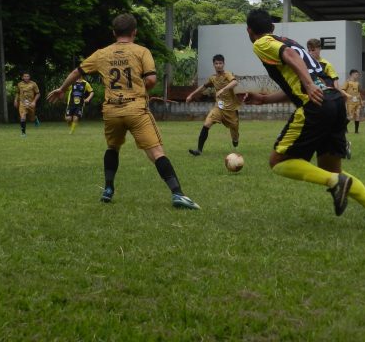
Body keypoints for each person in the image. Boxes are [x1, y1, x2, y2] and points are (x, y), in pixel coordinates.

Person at [244, 9, 365, 231]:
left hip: (316, 105)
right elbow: (296, 78)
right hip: (334, 102)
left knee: (278, 161)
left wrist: (307, 84)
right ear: (273, 27)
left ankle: (337, 184)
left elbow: (291, 58)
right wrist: (264, 98)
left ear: (249, 30)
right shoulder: (287, 40)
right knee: (331, 170)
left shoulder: (261, 43)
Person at [46, 13, 200, 209]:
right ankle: (177, 193)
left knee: (113, 148)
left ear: (114, 32)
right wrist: (140, 89)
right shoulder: (142, 51)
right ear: (134, 32)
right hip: (135, 108)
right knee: (156, 152)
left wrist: (62, 89)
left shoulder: (101, 53)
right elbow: (151, 80)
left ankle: (108, 189)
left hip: (112, 110)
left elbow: (78, 72)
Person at [186, 54, 240, 156]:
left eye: (220, 63)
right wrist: (191, 95)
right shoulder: (213, 78)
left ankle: (235, 140)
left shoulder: (227, 74)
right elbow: (203, 87)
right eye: (216, 63)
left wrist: (223, 89)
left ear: (223, 64)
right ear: (214, 65)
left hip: (231, 110)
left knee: (235, 134)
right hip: (219, 108)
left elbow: (235, 82)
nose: (218, 65)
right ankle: (199, 150)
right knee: (206, 124)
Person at [307, 39, 350, 159]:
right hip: (316, 98)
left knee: (334, 126)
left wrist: (339, 93)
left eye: (313, 50)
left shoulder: (326, 64)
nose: (310, 52)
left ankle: (344, 145)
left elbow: (335, 80)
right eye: (309, 50)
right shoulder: (305, 63)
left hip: (329, 98)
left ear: (319, 49)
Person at [13, 71, 41, 137]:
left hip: (31, 103)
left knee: (31, 119)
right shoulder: (19, 84)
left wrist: (34, 102)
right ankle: (23, 133)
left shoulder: (33, 84)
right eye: (25, 76)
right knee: (23, 117)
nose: (26, 77)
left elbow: (38, 93)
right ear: (22, 77)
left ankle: (35, 118)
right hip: (22, 103)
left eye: (27, 76)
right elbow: (17, 93)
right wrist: (15, 100)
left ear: (29, 77)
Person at [341, 70, 362, 134]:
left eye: (358, 75)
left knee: (357, 115)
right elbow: (342, 90)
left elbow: (358, 92)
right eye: (356, 74)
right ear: (352, 74)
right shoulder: (347, 82)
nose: (357, 76)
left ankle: (356, 131)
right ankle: (343, 127)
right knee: (350, 117)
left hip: (357, 102)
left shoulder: (357, 83)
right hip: (350, 102)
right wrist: (347, 95)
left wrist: (361, 100)